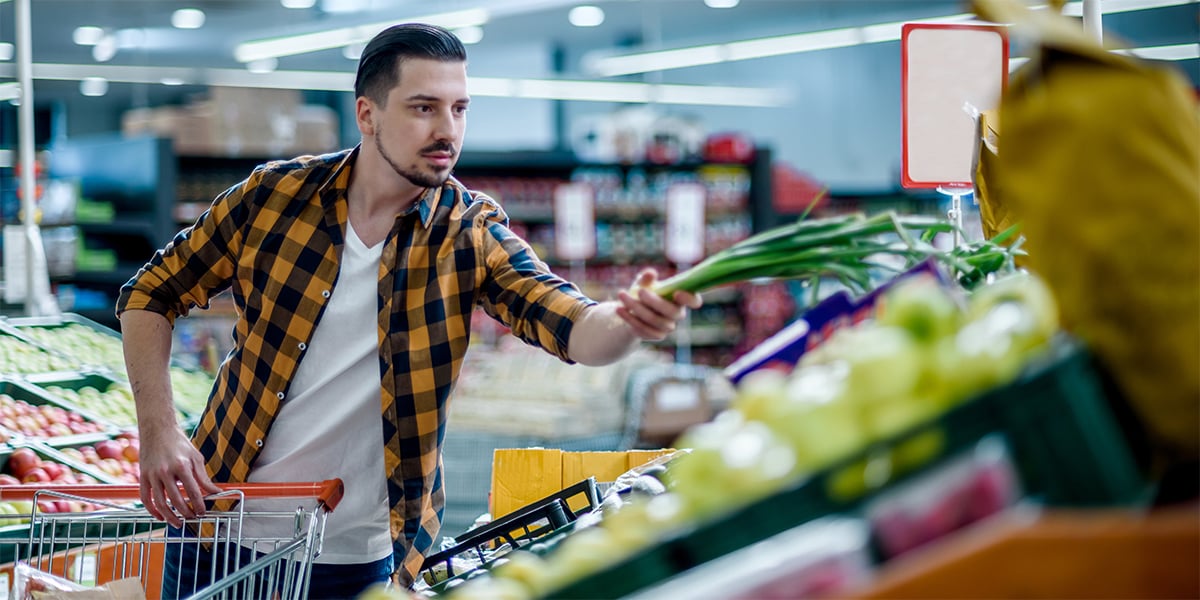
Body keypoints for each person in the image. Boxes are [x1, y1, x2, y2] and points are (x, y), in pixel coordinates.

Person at [117, 22, 701, 598]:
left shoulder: (469, 234)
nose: (447, 130)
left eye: (459, 108)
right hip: (218, 530)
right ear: (367, 114)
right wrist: (159, 430)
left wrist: (631, 320)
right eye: (424, 108)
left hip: (358, 558)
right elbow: (149, 293)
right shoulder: (274, 198)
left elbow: (573, 326)